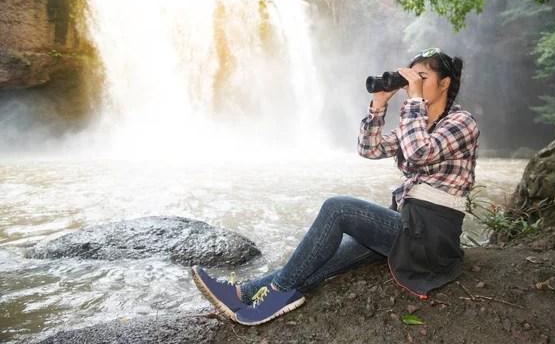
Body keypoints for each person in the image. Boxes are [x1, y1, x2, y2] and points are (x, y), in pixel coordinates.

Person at [191, 48, 480, 326]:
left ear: (444, 84)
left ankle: (277, 297)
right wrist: (379, 104)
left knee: (337, 208)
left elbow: (418, 152)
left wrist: (414, 103)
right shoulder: (417, 122)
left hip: (430, 237)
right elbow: (370, 149)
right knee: (324, 258)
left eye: (422, 78)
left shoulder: (461, 122)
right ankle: (244, 294)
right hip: (408, 225)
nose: (412, 85)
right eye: (411, 78)